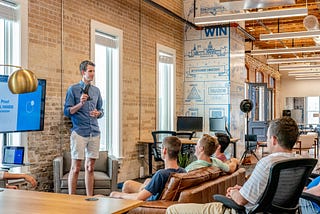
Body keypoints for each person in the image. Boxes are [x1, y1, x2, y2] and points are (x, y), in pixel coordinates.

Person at [166, 116, 300, 214]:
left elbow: (241, 201)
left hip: (238, 211)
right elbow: (271, 191)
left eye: (267, 137)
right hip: (266, 209)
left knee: (173, 209)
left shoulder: (267, 163)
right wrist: (244, 190)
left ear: (274, 139)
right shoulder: (298, 162)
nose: (266, 140)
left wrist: (234, 191)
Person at [64, 60, 104, 196]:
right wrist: (80, 104)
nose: (93, 74)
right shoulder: (73, 89)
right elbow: (67, 112)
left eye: (94, 71)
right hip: (79, 133)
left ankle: (89, 198)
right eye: (90, 71)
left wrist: (98, 113)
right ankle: (72, 199)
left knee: (90, 167)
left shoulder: (96, 91)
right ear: (83, 72)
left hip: (94, 132)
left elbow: (101, 110)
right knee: (75, 169)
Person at [109, 136, 185, 201]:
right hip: (156, 195)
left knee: (114, 193)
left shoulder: (161, 174)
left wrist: (118, 195)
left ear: (164, 150)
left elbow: (139, 197)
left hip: (150, 201)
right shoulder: (183, 171)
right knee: (127, 184)